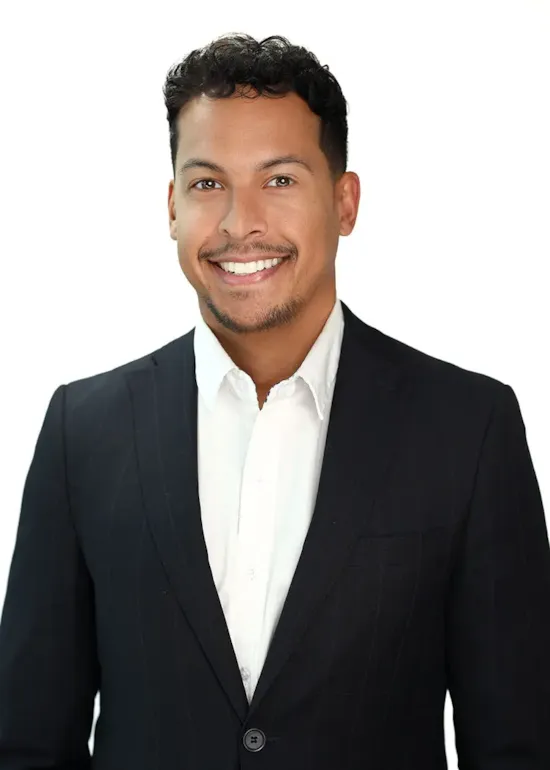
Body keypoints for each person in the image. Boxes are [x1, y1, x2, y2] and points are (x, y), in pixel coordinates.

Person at [0, 32, 548, 770]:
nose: (238, 222)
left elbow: (518, 746)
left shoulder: (469, 429)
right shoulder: (83, 431)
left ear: (345, 201)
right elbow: (28, 743)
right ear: (170, 207)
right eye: (207, 184)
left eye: (280, 180)